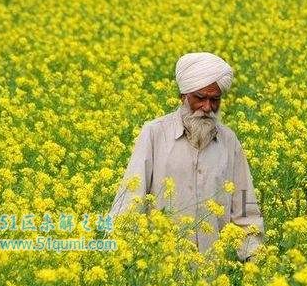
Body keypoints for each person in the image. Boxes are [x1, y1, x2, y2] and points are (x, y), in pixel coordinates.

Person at [109, 52, 264, 262]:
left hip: (213, 276)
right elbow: (130, 200)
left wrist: (255, 263)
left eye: (215, 100)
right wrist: (120, 258)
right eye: (200, 98)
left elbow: (246, 210)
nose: (207, 107)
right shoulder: (154, 134)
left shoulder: (230, 142)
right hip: (159, 272)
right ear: (183, 96)